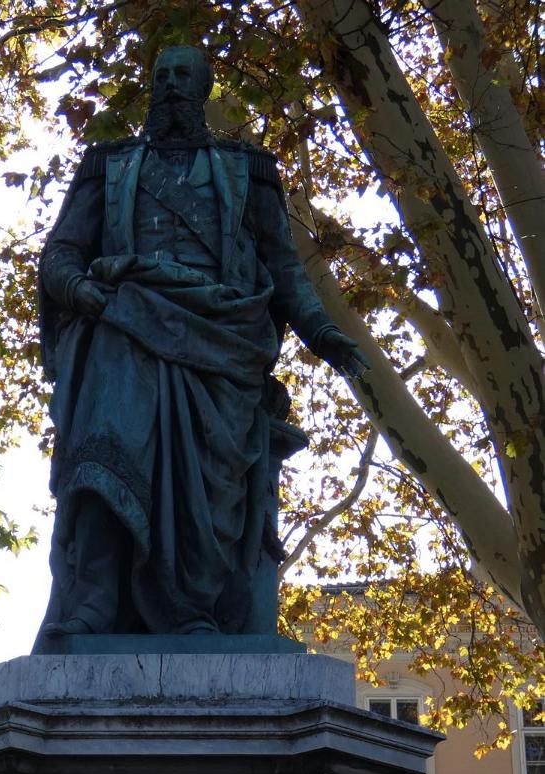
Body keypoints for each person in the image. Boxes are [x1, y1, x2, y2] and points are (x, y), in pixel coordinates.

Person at [34, 45, 367, 644]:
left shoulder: (248, 170)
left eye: (182, 75)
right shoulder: (108, 166)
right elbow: (60, 252)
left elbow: (285, 268)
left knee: (206, 495)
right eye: (161, 76)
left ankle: (192, 610)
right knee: (103, 456)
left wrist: (323, 333)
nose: (169, 85)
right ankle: (95, 602)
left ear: (204, 88)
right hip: (124, 324)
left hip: (222, 341)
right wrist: (80, 289)